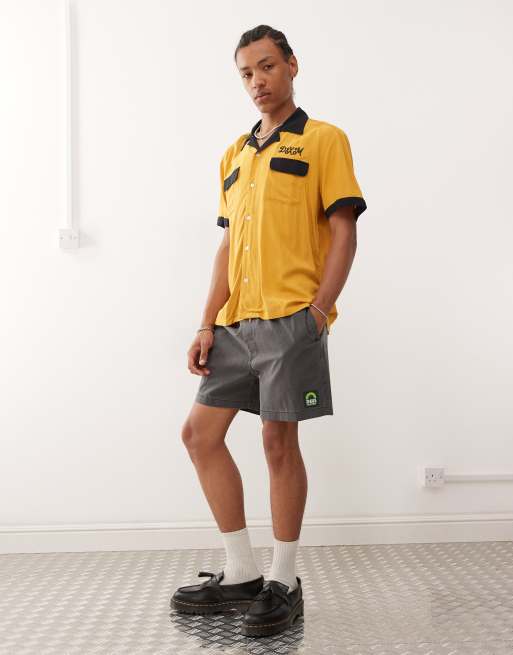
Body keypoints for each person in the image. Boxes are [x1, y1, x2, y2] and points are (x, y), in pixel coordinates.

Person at [170, 24, 367, 638]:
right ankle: (241, 572)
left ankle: (284, 580)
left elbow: (344, 231)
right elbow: (229, 246)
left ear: (292, 66)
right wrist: (207, 322)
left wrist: (320, 311)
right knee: (199, 435)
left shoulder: (324, 140)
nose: (257, 81)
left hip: (291, 321)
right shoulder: (234, 155)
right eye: (246, 73)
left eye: (267, 66)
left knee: (278, 445)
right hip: (235, 325)